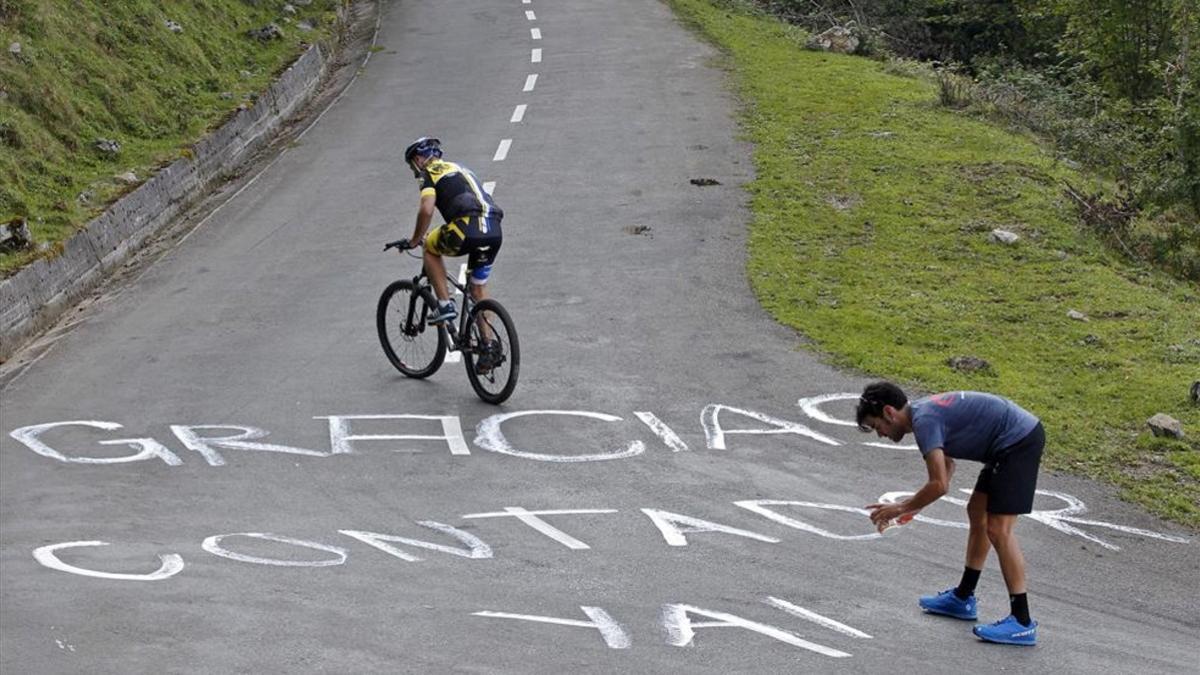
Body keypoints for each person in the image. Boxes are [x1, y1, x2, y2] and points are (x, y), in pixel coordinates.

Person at [856, 381, 1044, 646]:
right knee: (977, 511)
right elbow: (947, 465)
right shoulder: (922, 414)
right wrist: (915, 507)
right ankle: (963, 597)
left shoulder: (924, 421)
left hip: (1017, 441)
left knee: (998, 529)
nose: (881, 434)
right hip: (1008, 441)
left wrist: (901, 506)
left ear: (889, 412)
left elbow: (939, 484)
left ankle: (1023, 622)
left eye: (878, 427)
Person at [397, 137, 504, 370]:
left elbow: (426, 209)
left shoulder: (429, 173)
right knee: (477, 289)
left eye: (412, 165)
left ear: (418, 159)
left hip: (466, 229)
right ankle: (488, 346)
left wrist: (415, 239)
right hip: (494, 230)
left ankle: (445, 305)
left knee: (429, 247)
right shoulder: (460, 168)